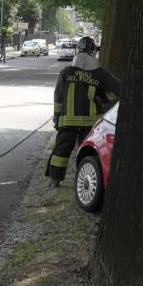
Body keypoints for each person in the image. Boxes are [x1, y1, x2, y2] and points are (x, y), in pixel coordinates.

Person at [46, 36, 121, 188]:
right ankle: (84, 179)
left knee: (61, 150)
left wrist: (57, 116)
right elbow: (119, 90)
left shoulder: (67, 71)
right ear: (94, 52)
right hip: (91, 121)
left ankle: (54, 180)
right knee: (88, 151)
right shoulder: (100, 74)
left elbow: (58, 96)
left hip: (68, 120)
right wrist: (104, 100)